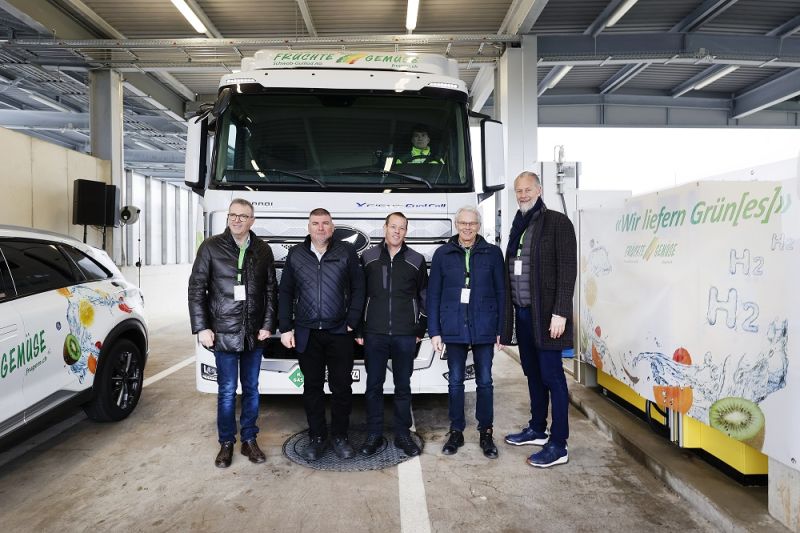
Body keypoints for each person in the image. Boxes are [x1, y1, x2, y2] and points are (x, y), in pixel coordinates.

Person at [188, 198, 277, 468]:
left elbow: (271, 291)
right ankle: (226, 442)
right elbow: (196, 289)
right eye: (233, 215)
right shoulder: (211, 247)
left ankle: (249, 440)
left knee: (251, 388)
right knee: (227, 391)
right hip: (223, 332)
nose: (236, 220)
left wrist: (267, 325)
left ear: (252, 220)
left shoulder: (262, 250)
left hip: (254, 334)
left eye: (243, 216)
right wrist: (202, 327)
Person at [500, 171, 577, 468]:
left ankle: (559, 444)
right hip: (524, 314)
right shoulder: (518, 225)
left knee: (552, 377)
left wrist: (561, 312)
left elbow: (567, 270)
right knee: (532, 373)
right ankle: (537, 428)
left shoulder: (557, 222)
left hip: (547, 317)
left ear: (539, 190)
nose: (522, 194)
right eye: (518, 190)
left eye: (527, 189)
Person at [279, 208, 365, 461]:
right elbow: (285, 292)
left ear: (332, 226)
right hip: (307, 333)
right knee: (312, 388)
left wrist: (352, 321)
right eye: (315, 223)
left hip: (339, 332)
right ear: (308, 226)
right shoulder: (295, 254)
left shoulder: (346, 252)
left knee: (342, 388)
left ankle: (340, 436)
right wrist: (285, 327)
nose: (320, 228)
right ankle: (317, 437)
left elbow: (360, 287)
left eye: (325, 223)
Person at [428, 206, 505, 459]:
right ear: (456, 224)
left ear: (479, 226)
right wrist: (435, 331)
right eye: (463, 223)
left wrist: (502, 330)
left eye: (472, 223)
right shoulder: (442, 254)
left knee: (485, 382)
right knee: (455, 382)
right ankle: (456, 431)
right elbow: (434, 295)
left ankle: (486, 432)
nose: (467, 228)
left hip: (484, 325)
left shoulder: (493, 253)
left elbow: (503, 293)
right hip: (453, 326)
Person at [357, 212, 428, 457]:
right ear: (385, 228)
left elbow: (424, 296)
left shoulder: (416, 260)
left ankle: (402, 435)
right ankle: (374, 434)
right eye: (393, 227)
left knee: (403, 387)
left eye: (402, 228)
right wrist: (359, 327)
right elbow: (359, 294)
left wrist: (420, 328)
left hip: (405, 333)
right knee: (373, 386)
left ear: (406, 232)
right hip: (374, 332)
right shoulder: (368, 257)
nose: (397, 232)